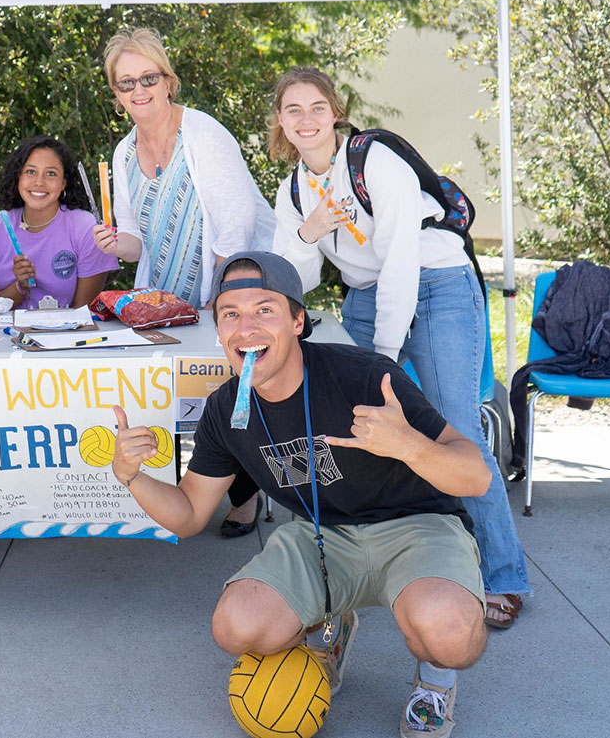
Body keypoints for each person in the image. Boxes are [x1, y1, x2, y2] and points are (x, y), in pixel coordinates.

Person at [112, 252, 490, 738]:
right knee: (237, 626)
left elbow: (476, 477)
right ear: (218, 331)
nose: (246, 329)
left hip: (417, 526)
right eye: (231, 314)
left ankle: (435, 682)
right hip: (321, 536)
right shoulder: (226, 409)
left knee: (450, 635)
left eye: (264, 310)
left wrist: (409, 445)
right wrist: (131, 476)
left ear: (297, 322)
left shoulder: (362, 376)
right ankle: (329, 633)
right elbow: (189, 514)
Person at [268, 66, 531, 629]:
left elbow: (401, 264)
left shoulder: (374, 161)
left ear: (335, 112)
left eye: (316, 107)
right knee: (352, 422)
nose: (306, 119)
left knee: (455, 426)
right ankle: (361, 563)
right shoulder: (292, 190)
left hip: (436, 284)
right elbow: (296, 280)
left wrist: (382, 358)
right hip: (366, 295)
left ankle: (502, 576)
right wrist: (309, 230)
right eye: (293, 110)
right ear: (281, 122)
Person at [95, 26, 276, 537]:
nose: (138, 89)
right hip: (165, 300)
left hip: (228, 288)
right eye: (126, 82)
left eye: (148, 77)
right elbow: (136, 240)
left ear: (168, 81)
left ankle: (246, 494)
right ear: (115, 93)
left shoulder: (203, 135)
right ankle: (187, 493)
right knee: (181, 398)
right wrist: (114, 244)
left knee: (234, 391)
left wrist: (218, 307)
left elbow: (235, 230)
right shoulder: (123, 153)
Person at [0, 135, 117, 310]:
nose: (39, 182)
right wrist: (19, 287)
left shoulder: (87, 228)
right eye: (30, 171)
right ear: (18, 177)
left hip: (70, 328)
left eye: (51, 173)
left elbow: (84, 311)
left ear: (63, 183)